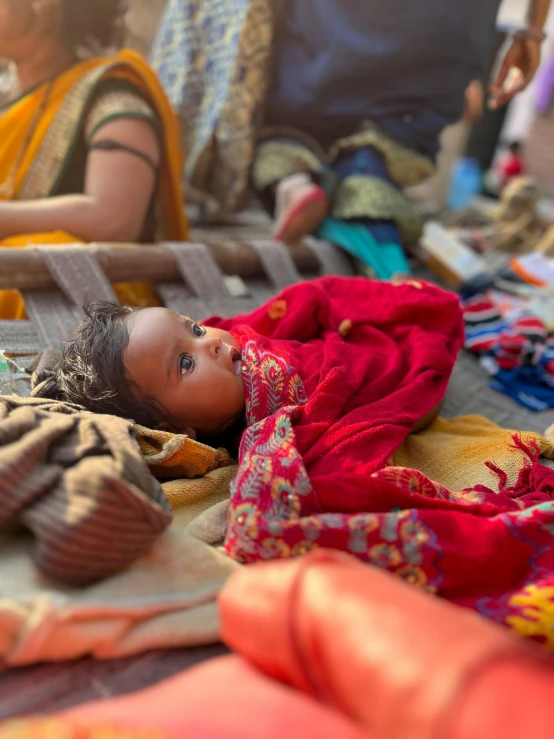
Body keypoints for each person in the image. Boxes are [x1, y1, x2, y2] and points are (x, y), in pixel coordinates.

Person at [152, 0, 549, 280]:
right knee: (397, 124)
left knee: (292, 115)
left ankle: (294, 180)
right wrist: (533, 28)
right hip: (449, 21)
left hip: (342, 20)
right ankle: (372, 202)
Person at [0, 0, 188, 320]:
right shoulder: (9, 97)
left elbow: (115, 218)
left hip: (91, 303)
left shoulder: (110, 93)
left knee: (51, 250)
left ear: (46, 8)